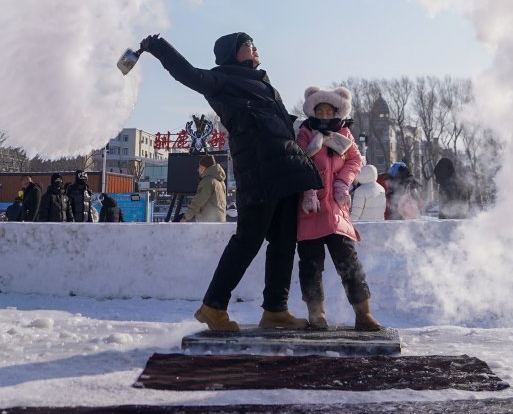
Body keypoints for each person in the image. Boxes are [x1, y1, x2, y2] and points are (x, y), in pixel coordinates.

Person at [139, 31, 322, 332]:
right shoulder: (221, 79)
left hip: (288, 169)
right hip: (260, 171)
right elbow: (189, 74)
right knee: (247, 241)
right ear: (231, 53)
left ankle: (276, 310)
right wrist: (158, 47)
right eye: (248, 45)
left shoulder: (263, 83)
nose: (255, 48)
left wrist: (310, 124)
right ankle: (213, 306)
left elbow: (276, 122)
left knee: (284, 242)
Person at [296, 86, 382, 331]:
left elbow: (355, 160)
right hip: (309, 209)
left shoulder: (344, 134)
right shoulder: (304, 133)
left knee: (349, 264)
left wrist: (343, 182)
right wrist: (309, 188)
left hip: (336, 211)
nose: (324, 116)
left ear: (337, 113)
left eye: (328, 112)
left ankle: (363, 313)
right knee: (311, 266)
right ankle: (316, 314)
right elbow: (300, 160)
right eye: (319, 111)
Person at [181, 155, 226, 222]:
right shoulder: (221, 182)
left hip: (208, 221)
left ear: (203, 168)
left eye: (199, 167)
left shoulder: (207, 181)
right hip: (220, 220)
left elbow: (198, 201)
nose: (198, 169)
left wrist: (185, 217)